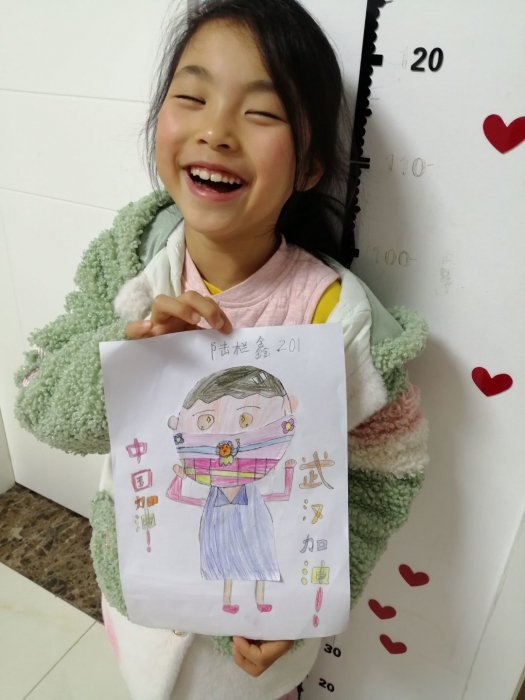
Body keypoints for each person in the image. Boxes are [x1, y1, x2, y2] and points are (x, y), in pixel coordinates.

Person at [14, 1, 429, 698]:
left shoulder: (336, 318)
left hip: (251, 658)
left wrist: (313, 597)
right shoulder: (134, 261)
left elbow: (388, 474)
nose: (215, 130)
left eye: (260, 112)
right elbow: (36, 395)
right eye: (192, 97)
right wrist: (125, 357)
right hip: (137, 612)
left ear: (308, 166)